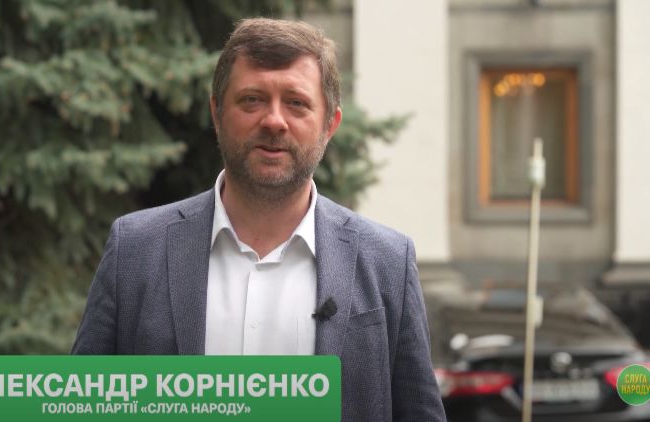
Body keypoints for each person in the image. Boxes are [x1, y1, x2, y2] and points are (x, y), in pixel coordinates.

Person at [72, 17, 445, 422]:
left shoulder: (387, 262)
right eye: (252, 100)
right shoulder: (135, 250)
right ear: (217, 114)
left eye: (296, 103)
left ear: (330, 125)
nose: (273, 121)